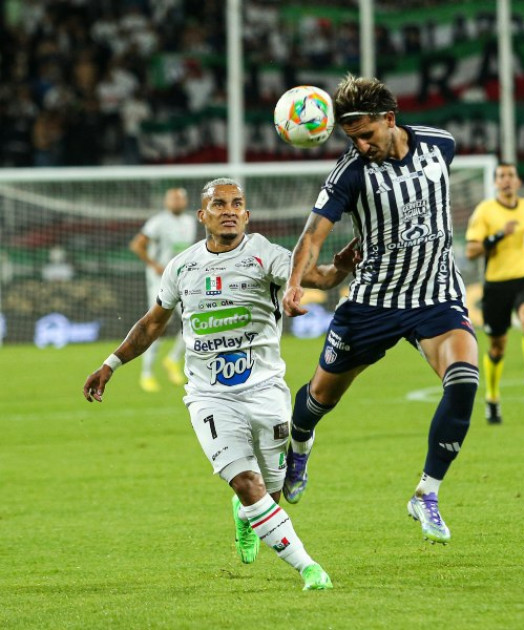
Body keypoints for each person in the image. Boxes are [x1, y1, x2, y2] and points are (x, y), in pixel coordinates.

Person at [83, 178, 359, 590]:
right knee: (248, 485)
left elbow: (315, 278)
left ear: (246, 215)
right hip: (209, 396)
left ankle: (246, 514)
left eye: (237, 204)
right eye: (218, 204)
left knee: (271, 491)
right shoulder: (183, 266)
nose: (229, 210)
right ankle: (309, 568)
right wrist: (110, 364)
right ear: (203, 215)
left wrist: (340, 267)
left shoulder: (264, 253)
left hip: (265, 391)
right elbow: (152, 323)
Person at [280, 75, 480, 545]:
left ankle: (426, 493)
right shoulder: (349, 173)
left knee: (465, 379)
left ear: (390, 119)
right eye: (352, 138)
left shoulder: (441, 145)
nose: (362, 145)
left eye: (367, 134)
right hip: (372, 303)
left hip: (435, 296)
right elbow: (312, 237)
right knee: (317, 401)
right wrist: (294, 284)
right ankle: (299, 445)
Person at [465, 163, 524, 425]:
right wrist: (499, 236)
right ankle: (492, 398)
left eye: (510, 176)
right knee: (497, 347)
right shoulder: (485, 211)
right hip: (496, 285)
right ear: (495, 183)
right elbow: (471, 251)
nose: (506, 180)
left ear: (518, 182)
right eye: (501, 176)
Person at [129, 187, 197, 392]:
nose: (177, 202)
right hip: (159, 281)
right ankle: (147, 373)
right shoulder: (157, 222)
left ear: (185, 202)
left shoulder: (190, 221)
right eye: (173, 199)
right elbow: (137, 245)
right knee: (156, 326)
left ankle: (173, 359)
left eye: (180, 199)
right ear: (166, 201)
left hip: (182, 280)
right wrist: (153, 264)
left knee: (194, 321)